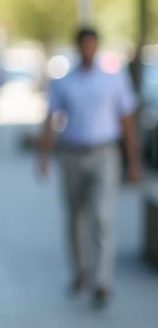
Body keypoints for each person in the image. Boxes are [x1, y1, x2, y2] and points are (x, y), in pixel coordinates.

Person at [38, 26, 142, 309]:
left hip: (104, 154)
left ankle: (102, 279)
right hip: (72, 154)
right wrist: (44, 157)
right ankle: (80, 271)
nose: (88, 49)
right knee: (75, 216)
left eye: (92, 44)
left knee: (101, 216)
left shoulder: (113, 80)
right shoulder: (65, 82)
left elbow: (126, 120)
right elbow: (51, 119)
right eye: (83, 44)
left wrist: (134, 161)